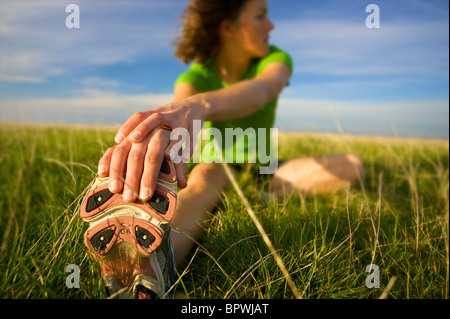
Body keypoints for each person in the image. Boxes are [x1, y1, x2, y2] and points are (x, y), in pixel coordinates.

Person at [81, 0, 365, 298]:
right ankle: (149, 263)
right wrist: (160, 129)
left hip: (262, 169)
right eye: (260, 16)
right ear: (228, 27)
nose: (271, 26)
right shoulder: (200, 73)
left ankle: (256, 196)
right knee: (206, 177)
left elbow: (263, 90)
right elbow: (180, 102)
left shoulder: (275, 61)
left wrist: (198, 106)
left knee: (351, 165)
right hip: (217, 165)